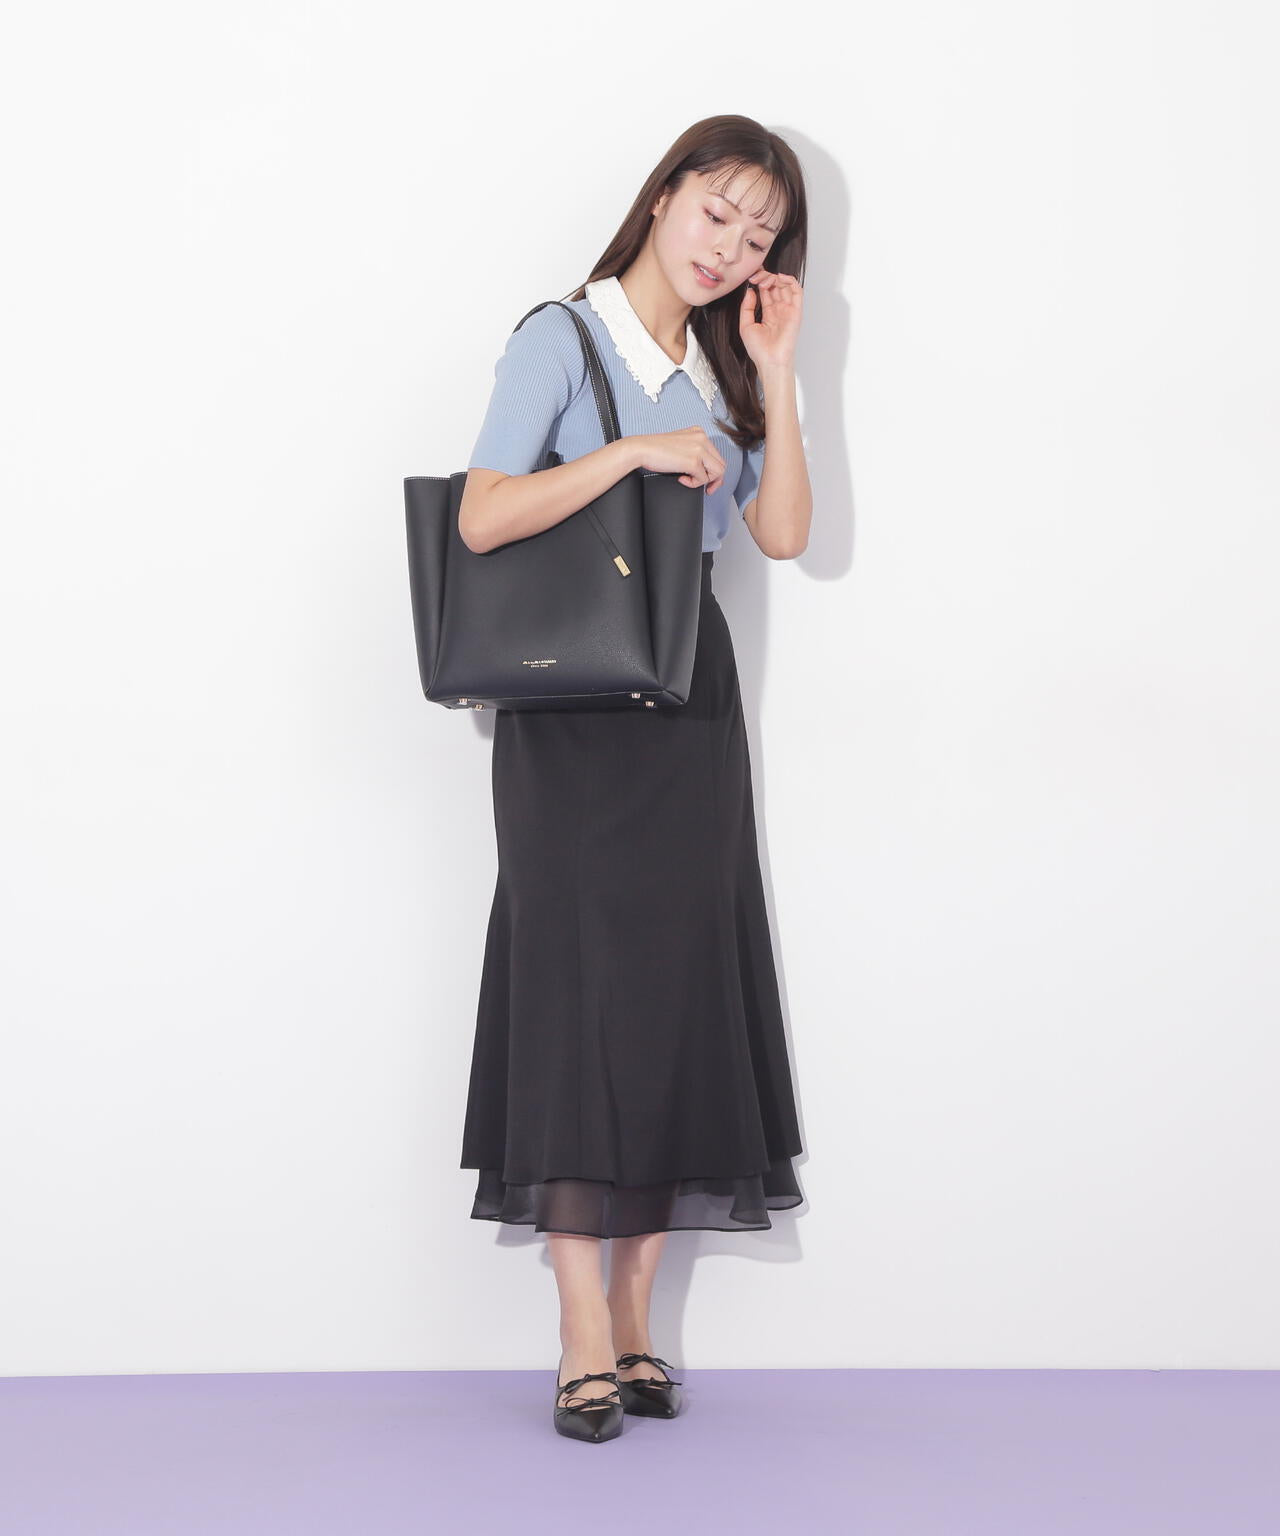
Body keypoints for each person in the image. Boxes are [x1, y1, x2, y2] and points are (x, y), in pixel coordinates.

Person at [456, 114, 813, 1442]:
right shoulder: (561, 336)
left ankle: (638, 1320)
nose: (730, 248)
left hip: (687, 703)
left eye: (760, 237)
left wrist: (777, 371)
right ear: (663, 198)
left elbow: (782, 534)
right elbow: (483, 513)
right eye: (717, 212)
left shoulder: (725, 367)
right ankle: (580, 1332)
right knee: (573, 992)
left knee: (676, 996)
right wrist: (626, 455)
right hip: (570, 714)